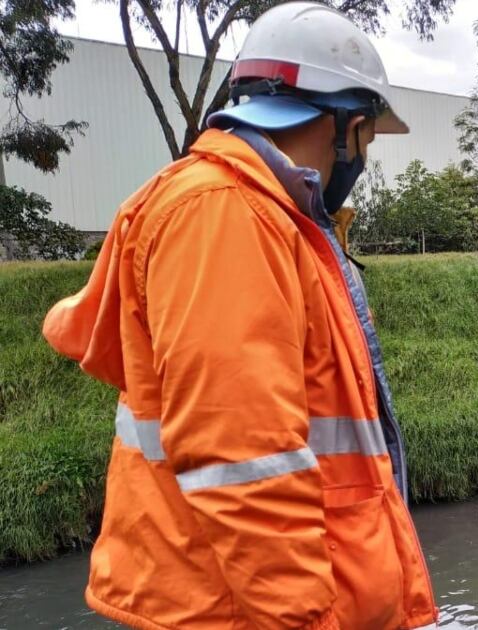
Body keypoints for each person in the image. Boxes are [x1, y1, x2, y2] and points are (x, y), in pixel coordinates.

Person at [42, 4, 436, 628]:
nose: (362, 159)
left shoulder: (268, 214)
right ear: (347, 125)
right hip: (238, 612)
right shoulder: (225, 216)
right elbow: (244, 463)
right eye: (365, 139)